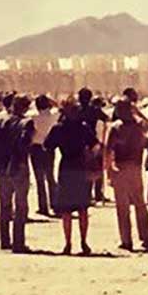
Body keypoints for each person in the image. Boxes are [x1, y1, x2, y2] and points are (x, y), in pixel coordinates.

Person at [45, 97, 100, 255]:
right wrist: (90, 156)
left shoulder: (58, 128)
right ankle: (84, 242)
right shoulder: (83, 127)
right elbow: (96, 145)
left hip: (66, 167)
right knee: (83, 208)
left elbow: (47, 146)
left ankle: (68, 243)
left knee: (66, 210)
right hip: (81, 166)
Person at [0, 95, 35, 253]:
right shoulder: (26, 123)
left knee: (4, 205)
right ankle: (19, 242)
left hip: (2, 166)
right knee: (20, 206)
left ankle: (5, 240)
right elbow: (25, 142)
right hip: (18, 165)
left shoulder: (0, 121)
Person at [106, 98, 148, 251]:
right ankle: (146, 238)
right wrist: (137, 112)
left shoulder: (116, 127)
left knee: (123, 207)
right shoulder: (139, 125)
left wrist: (108, 171)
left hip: (120, 167)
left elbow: (108, 151)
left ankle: (126, 240)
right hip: (135, 167)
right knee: (140, 204)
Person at [30, 95, 59, 216]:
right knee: (50, 177)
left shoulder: (33, 117)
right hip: (49, 147)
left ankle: (43, 206)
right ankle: (55, 204)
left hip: (35, 147)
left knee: (39, 179)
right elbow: (60, 106)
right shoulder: (53, 116)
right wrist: (52, 102)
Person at [77, 88, 108, 204]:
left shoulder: (76, 109)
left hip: (79, 142)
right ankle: (97, 194)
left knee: (82, 169)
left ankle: (86, 195)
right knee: (95, 167)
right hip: (91, 140)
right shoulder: (94, 110)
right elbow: (106, 119)